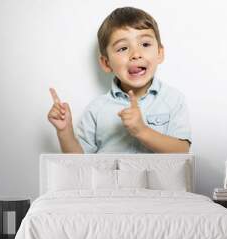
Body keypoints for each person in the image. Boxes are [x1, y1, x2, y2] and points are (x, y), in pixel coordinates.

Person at [47, 6, 192, 153]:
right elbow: (79, 164)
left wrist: (142, 131)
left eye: (145, 44)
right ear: (106, 63)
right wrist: (65, 132)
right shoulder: (96, 109)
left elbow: (182, 151)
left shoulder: (173, 99)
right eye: (123, 48)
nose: (136, 54)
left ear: (160, 53)